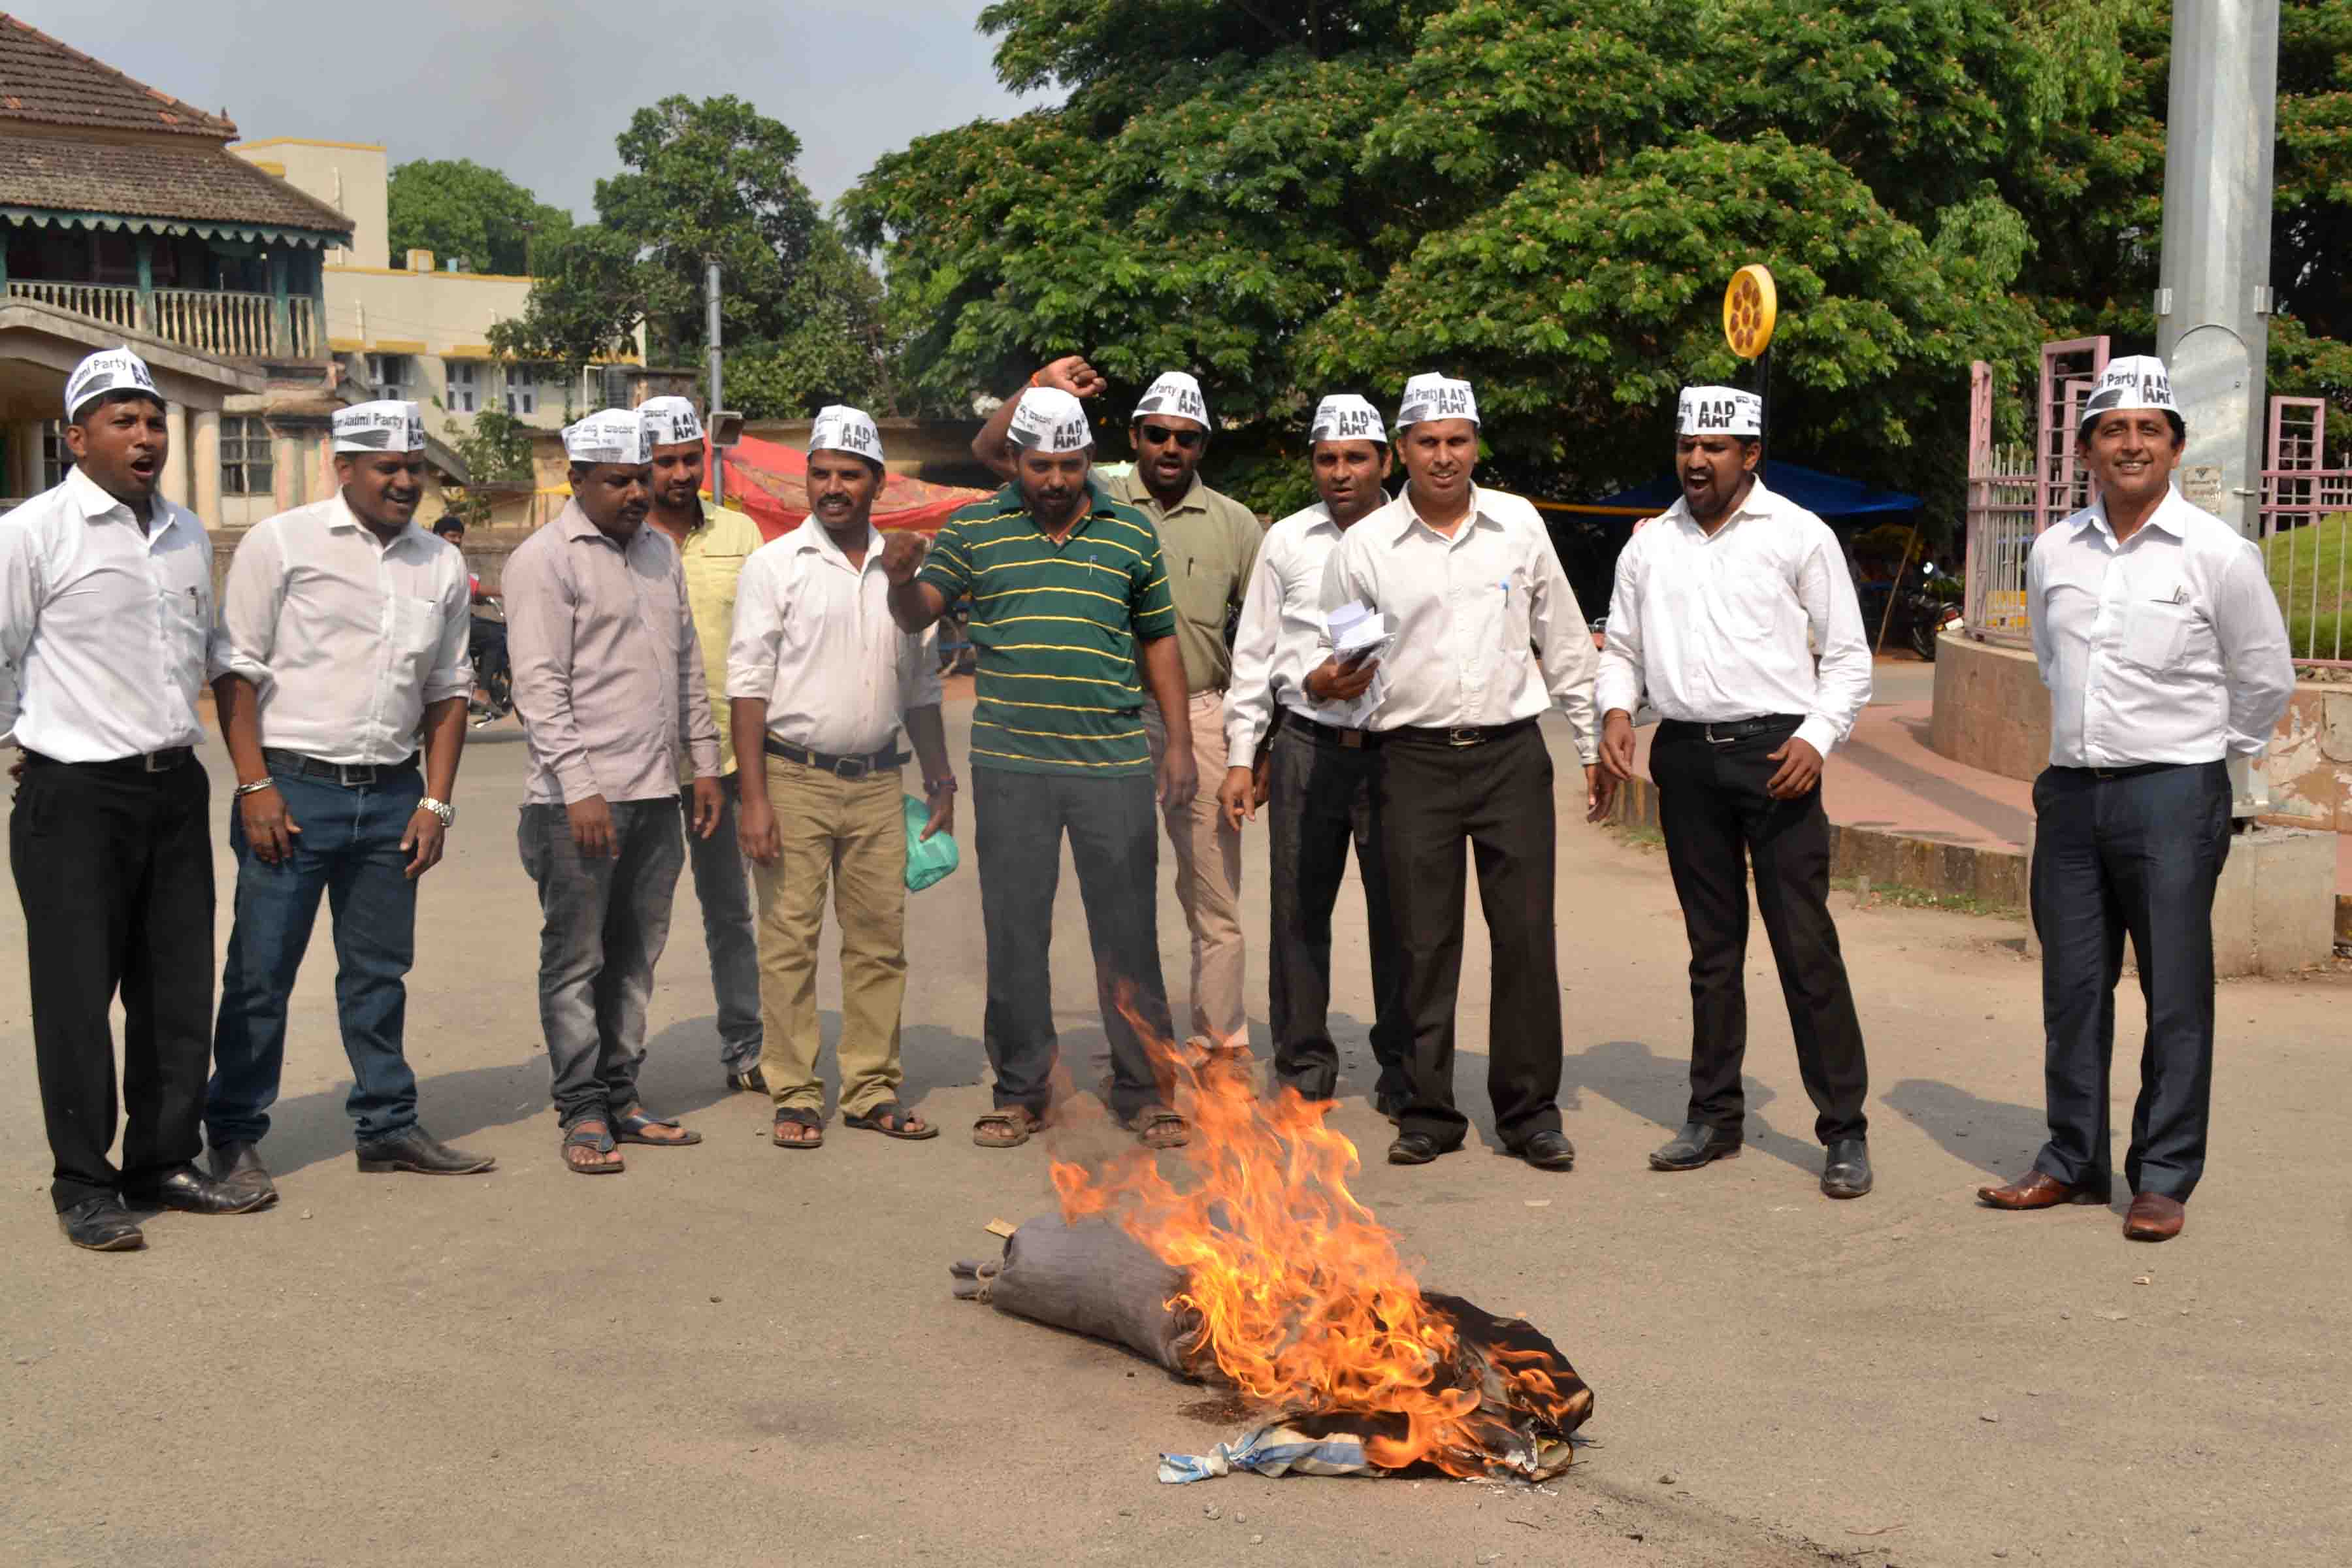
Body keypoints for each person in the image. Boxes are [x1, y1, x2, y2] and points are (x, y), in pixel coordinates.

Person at [1978, 355, 2295, 1243]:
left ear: (2174, 445)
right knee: (2072, 988)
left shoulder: (2220, 556)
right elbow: (2051, 657)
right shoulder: (2053, 550)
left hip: (2173, 794)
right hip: (2073, 797)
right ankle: (2070, 1160)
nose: (2130, 445)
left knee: (2177, 991)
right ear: (2086, 449)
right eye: (2112, 430)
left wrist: (2209, 760)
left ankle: (2162, 1176)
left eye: (2147, 430)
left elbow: (2264, 677)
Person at [886, 385, 1197, 1151]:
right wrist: (898, 578)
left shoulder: (1131, 534)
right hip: (1011, 767)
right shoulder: (975, 529)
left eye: (1069, 464)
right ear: (1015, 461)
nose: (1055, 480)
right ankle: (1021, 1091)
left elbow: (1159, 639)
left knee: (1126, 934)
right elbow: (920, 611)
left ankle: (1145, 1090)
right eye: (1039, 465)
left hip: (1114, 762)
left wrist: (1181, 743)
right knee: (1015, 932)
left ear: (1090, 459)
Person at [2, 347, 262, 1249]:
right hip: (74, 797)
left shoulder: (186, 533)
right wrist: (20, 741)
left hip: (172, 789)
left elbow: (208, 652)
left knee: (175, 989)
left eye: (153, 420)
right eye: (124, 420)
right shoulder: (33, 532)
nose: (146, 435)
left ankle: (162, 1159)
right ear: (77, 438)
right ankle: (84, 1183)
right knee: (76, 996)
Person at [1313, 374, 1601, 1172]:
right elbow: (1352, 664)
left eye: (1458, 441)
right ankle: (1427, 1108)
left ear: (1477, 444)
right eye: (1428, 442)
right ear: (1400, 450)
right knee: (1421, 943)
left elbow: (1566, 638)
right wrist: (1328, 690)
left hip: (1511, 756)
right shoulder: (1364, 549)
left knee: (1525, 938)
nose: (1444, 457)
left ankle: (1529, 1112)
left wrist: (1587, 744)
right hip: (1411, 763)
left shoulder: (1519, 526)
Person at [1595, 386, 1876, 1200]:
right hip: (1685, 758)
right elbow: (1622, 645)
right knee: (1712, 953)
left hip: (1778, 754)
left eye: (1715, 447)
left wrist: (1816, 740)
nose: (1695, 460)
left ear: (1750, 454)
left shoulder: (1799, 535)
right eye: (1687, 444)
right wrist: (1618, 709)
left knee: (1804, 947)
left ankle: (1844, 1131)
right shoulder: (1650, 546)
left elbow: (1850, 659)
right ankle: (1713, 1117)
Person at [204, 400, 491, 1200]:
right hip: (292, 791)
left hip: (391, 795)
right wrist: (255, 785)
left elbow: (448, 691)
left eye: (416, 468)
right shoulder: (282, 543)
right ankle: (232, 1136)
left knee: (378, 974)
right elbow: (236, 670)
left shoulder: (437, 563)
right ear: (345, 467)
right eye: (387, 468)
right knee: (261, 974)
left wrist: (435, 805)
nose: (405, 482)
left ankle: (387, 1124)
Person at [728, 406, 955, 1148]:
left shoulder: (904, 566)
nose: (832, 487)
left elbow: (921, 687)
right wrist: (753, 796)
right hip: (793, 778)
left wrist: (942, 777)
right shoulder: (774, 566)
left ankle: (870, 1088)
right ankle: (793, 1091)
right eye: (820, 473)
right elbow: (749, 686)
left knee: (879, 941)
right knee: (789, 940)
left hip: (879, 781)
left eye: (848, 475)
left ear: (877, 483)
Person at [505, 408, 724, 1175]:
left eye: (642, 477)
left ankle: (623, 1094)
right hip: (577, 804)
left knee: (636, 956)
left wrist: (702, 765)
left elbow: (689, 668)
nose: (637, 492)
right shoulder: (545, 560)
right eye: (619, 480)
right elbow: (538, 685)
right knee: (577, 960)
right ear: (578, 480)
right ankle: (583, 1109)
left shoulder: (661, 554)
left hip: (657, 793)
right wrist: (580, 787)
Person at [1218, 393, 1407, 1113]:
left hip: (1397, 751)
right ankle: (1302, 1070)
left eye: (1356, 458)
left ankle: (1403, 1071)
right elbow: (1255, 652)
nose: (1341, 472)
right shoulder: (1288, 541)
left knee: (1402, 915)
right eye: (1327, 459)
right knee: (1298, 911)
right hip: (1305, 746)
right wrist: (1243, 756)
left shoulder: (1411, 535)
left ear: (1385, 461)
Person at [639, 394, 768, 1094]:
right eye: (666, 462)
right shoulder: (623, 538)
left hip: (727, 761)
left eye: (692, 458)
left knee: (733, 914)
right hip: (645, 769)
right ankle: (615, 1065)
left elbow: (766, 643)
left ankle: (746, 1047)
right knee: (635, 924)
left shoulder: (742, 536)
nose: (682, 473)